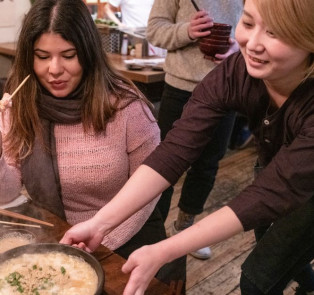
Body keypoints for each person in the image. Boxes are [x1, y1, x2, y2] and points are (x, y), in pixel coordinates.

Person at [60, 0, 314, 294]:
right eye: (247, 24)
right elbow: (175, 150)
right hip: (276, 171)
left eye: (275, 33)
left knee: (258, 279)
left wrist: (164, 250)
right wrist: (100, 224)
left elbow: (266, 195)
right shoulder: (236, 72)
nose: (252, 44)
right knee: (275, 242)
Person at [0, 0, 185, 288]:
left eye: (68, 55)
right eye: (42, 56)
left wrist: (98, 242)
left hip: (125, 240)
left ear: (87, 53)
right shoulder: (21, 103)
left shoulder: (125, 106)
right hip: (55, 235)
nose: (55, 69)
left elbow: (150, 192)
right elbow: (8, 191)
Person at [146, 0, 242, 259]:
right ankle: (152, 230)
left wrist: (239, 51)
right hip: (179, 88)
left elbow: (257, 33)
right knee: (163, 164)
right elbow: (154, 30)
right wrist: (187, 31)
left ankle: (184, 228)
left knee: (208, 165)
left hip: (226, 87)